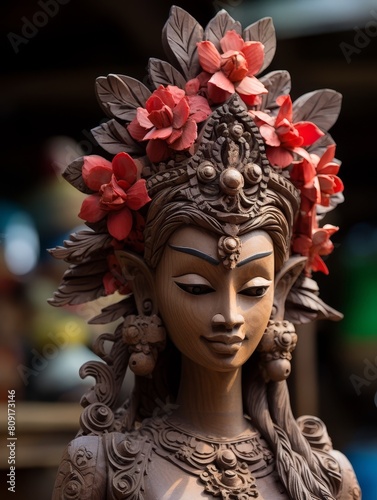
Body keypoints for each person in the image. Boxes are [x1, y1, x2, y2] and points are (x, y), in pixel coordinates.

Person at [50, 6, 361, 499]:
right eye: (195, 286)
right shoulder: (102, 470)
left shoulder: (327, 478)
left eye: (255, 288)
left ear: (280, 292)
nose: (229, 315)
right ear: (146, 287)